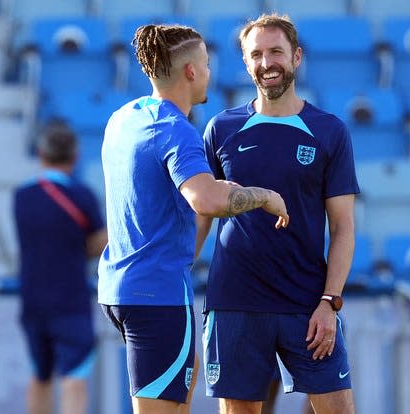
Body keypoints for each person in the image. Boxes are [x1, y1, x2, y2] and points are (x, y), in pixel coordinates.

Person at [97, 23, 290, 414]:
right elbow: (204, 198)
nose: (208, 71)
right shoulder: (175, 129)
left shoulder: (124, 117)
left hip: (119, 288)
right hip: (158, 295)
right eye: (205, 63)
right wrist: (264, 197)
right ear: (190, 72)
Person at [197, 13, 359, 414]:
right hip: (235, 301)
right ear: (246, 62)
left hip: (307, 304)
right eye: (256, 54)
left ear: (296, 57)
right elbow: (201, 214)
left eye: (276, 52)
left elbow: (342, 228)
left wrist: (329, 301)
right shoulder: (221, 128)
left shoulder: (329, 131)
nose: (266, 63)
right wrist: (176, 277)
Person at [13, 125, 108, 414]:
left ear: (41, 154)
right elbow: (96, 242)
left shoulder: (22, 196)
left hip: (32, 298)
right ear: (75, 157)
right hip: (70, 299)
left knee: (39, 376)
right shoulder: (82, 195)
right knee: (74, 376)